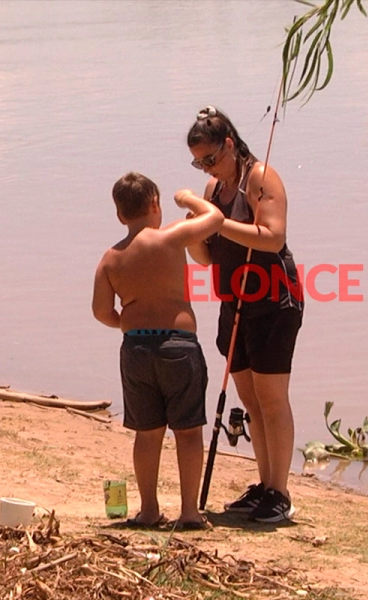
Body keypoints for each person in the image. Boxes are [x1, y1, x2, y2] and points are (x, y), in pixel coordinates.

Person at [185, 106, 303, 523]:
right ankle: (264, 484)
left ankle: (280, 492)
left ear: (230, 144)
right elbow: (203, 258)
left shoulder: (261, 178)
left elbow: (273, 238)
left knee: (272, 399)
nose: (206, 168)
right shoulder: (213, 190)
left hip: (274, 299)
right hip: (234, 301)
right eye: (199, 162)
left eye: (211, 159)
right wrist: (195, 232)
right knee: (250, 398)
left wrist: (216, 224)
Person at [92, 172, 223, 529]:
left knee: (147, 432)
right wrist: (189, 198)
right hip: (178, 345)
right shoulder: (171, 237)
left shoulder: (110, 258)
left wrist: (127, 322)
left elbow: (101, 311)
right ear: (155, 205)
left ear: (120, 215)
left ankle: (149, 509)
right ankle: (190, 512)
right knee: (188, 430)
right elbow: (216, 219)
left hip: (135, 348)